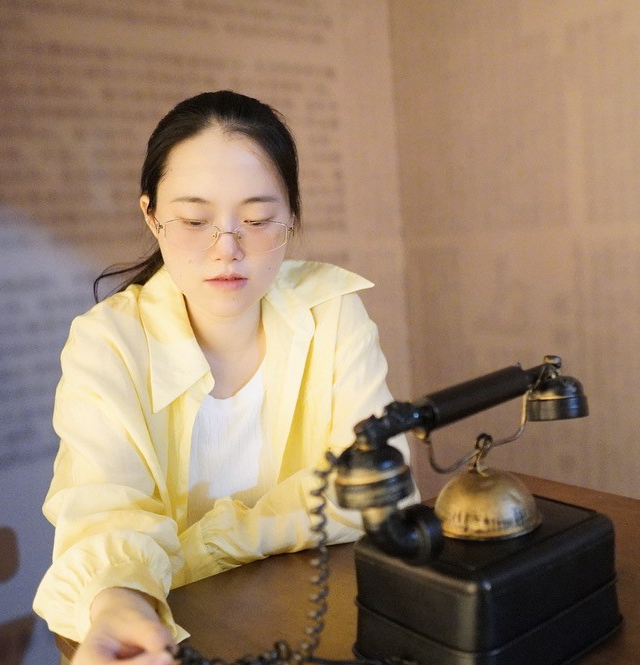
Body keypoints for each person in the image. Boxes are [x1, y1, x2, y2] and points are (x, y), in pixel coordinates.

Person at [33, 90, 411, 664]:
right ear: (152, 217)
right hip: (182, 635)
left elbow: (373, 490)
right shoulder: (107, 342)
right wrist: (120, 599)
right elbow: (102, 508)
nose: (226, 250)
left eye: (256, 220)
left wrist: (194, 550)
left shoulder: (330, 312)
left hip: (308, 619)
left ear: (291, 216)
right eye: (194, 221)